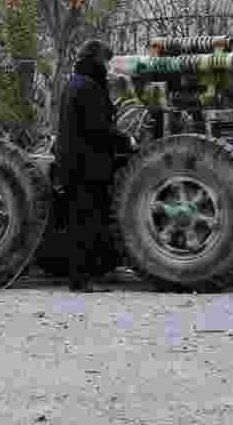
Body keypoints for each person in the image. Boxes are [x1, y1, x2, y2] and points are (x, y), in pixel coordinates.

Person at [54, 40, 133, 293]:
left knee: (81, 220)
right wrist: (125, 139)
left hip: (76, 165)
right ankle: (80, 279)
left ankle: (83, 275)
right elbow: (97, 128)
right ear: (98, 60)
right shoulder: (88, 87)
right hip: (86, 167)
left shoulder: (75, 83)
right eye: (107, 62)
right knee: (86, 222)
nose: (109, 68)